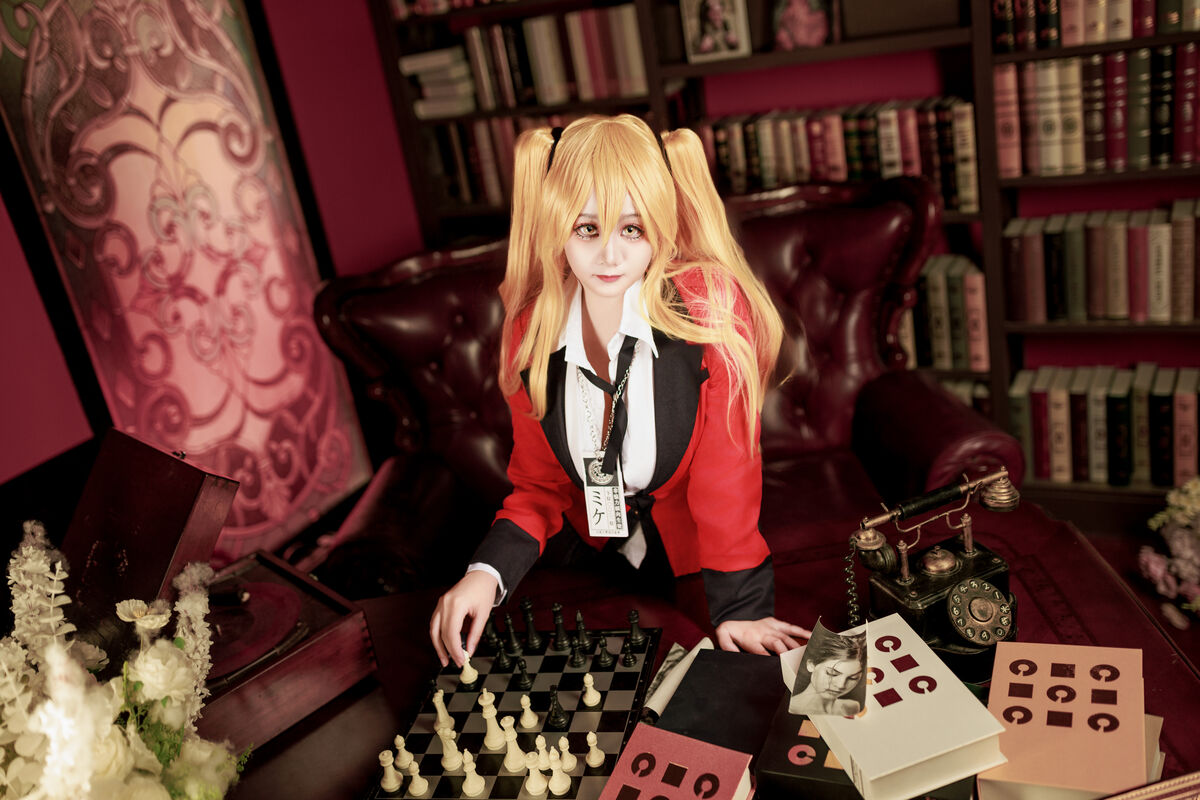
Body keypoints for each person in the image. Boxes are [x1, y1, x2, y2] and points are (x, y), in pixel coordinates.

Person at [428, 114, 810, 668]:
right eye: (587, 229)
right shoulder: (530, 331)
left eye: (632, 229)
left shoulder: (711, 311)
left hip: (694, 553)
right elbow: (538, 487)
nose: (609, 255)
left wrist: (742, 608)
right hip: (587, 552)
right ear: (556, 227)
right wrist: (484, 574)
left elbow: (728, 474)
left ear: (662, 225)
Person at [790, 633, 865, 716]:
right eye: (832, 673)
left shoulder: (852, 707)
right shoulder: (794, 709)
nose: (840, 685)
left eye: (853, 678)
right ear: (811, 665)